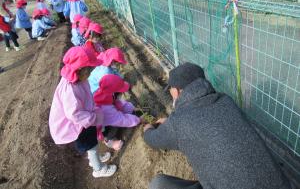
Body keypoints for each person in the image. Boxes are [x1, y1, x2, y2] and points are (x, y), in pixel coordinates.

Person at [144, 62, 291, 189]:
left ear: (176, 91)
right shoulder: (226, 101)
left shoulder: (178, 122)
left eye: (170, 91)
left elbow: (153, 139)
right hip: (283, 184)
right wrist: (172, 123)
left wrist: (148, 129)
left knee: (159, 184)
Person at [49, 46, 117, 178]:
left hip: (83, 120)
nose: (91, 72)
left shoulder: (77, 79)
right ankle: (98, 169)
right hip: (77, 126)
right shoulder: (70, 89)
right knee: (90, 145)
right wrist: (93, 118)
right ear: (79, 70)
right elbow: (74, 114)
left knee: (92, 144)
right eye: (89, 69)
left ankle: (95, 157)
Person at [93, 74, 141, 150]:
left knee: (122, 108)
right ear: (114, 93)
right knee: (113, 127)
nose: (122, 93)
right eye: (121, 92)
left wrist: (131, 108)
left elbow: (119, 103)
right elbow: (122, 120)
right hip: (101, 129)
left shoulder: (104, 94)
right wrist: (138, 120)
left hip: (108, 118)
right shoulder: (105, 109)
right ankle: (109, 140)